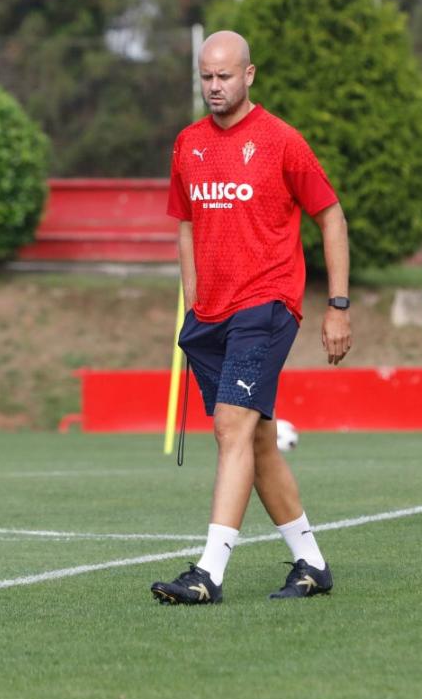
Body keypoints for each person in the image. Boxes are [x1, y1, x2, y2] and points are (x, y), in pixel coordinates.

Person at [150, 31, 352, 605]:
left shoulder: (282, 141)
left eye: (225, 77)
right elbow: (185, 222)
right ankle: (311, 563)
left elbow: (331, 217)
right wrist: (192, 301)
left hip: (266, 305)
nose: (214, 87)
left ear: (249, 76)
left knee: (231, 428)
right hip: (209, 314)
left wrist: (337, 306)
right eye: (206, 77)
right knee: (259, 440)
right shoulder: (186, 144)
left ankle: (208, 574)